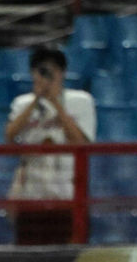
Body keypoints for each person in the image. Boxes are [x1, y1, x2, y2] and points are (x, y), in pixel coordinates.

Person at [5, 45, 96, 245]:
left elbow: (81, 143)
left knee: (65, 255)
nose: (45, 77)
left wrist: (56, 103)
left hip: (67, 193)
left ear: (62, 73)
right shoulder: (22, 103)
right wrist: (36, 99)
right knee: (28, 255)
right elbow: (10, 137)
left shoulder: (81, 101)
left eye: (50, 71)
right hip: (31, 194)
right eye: (40, 71)